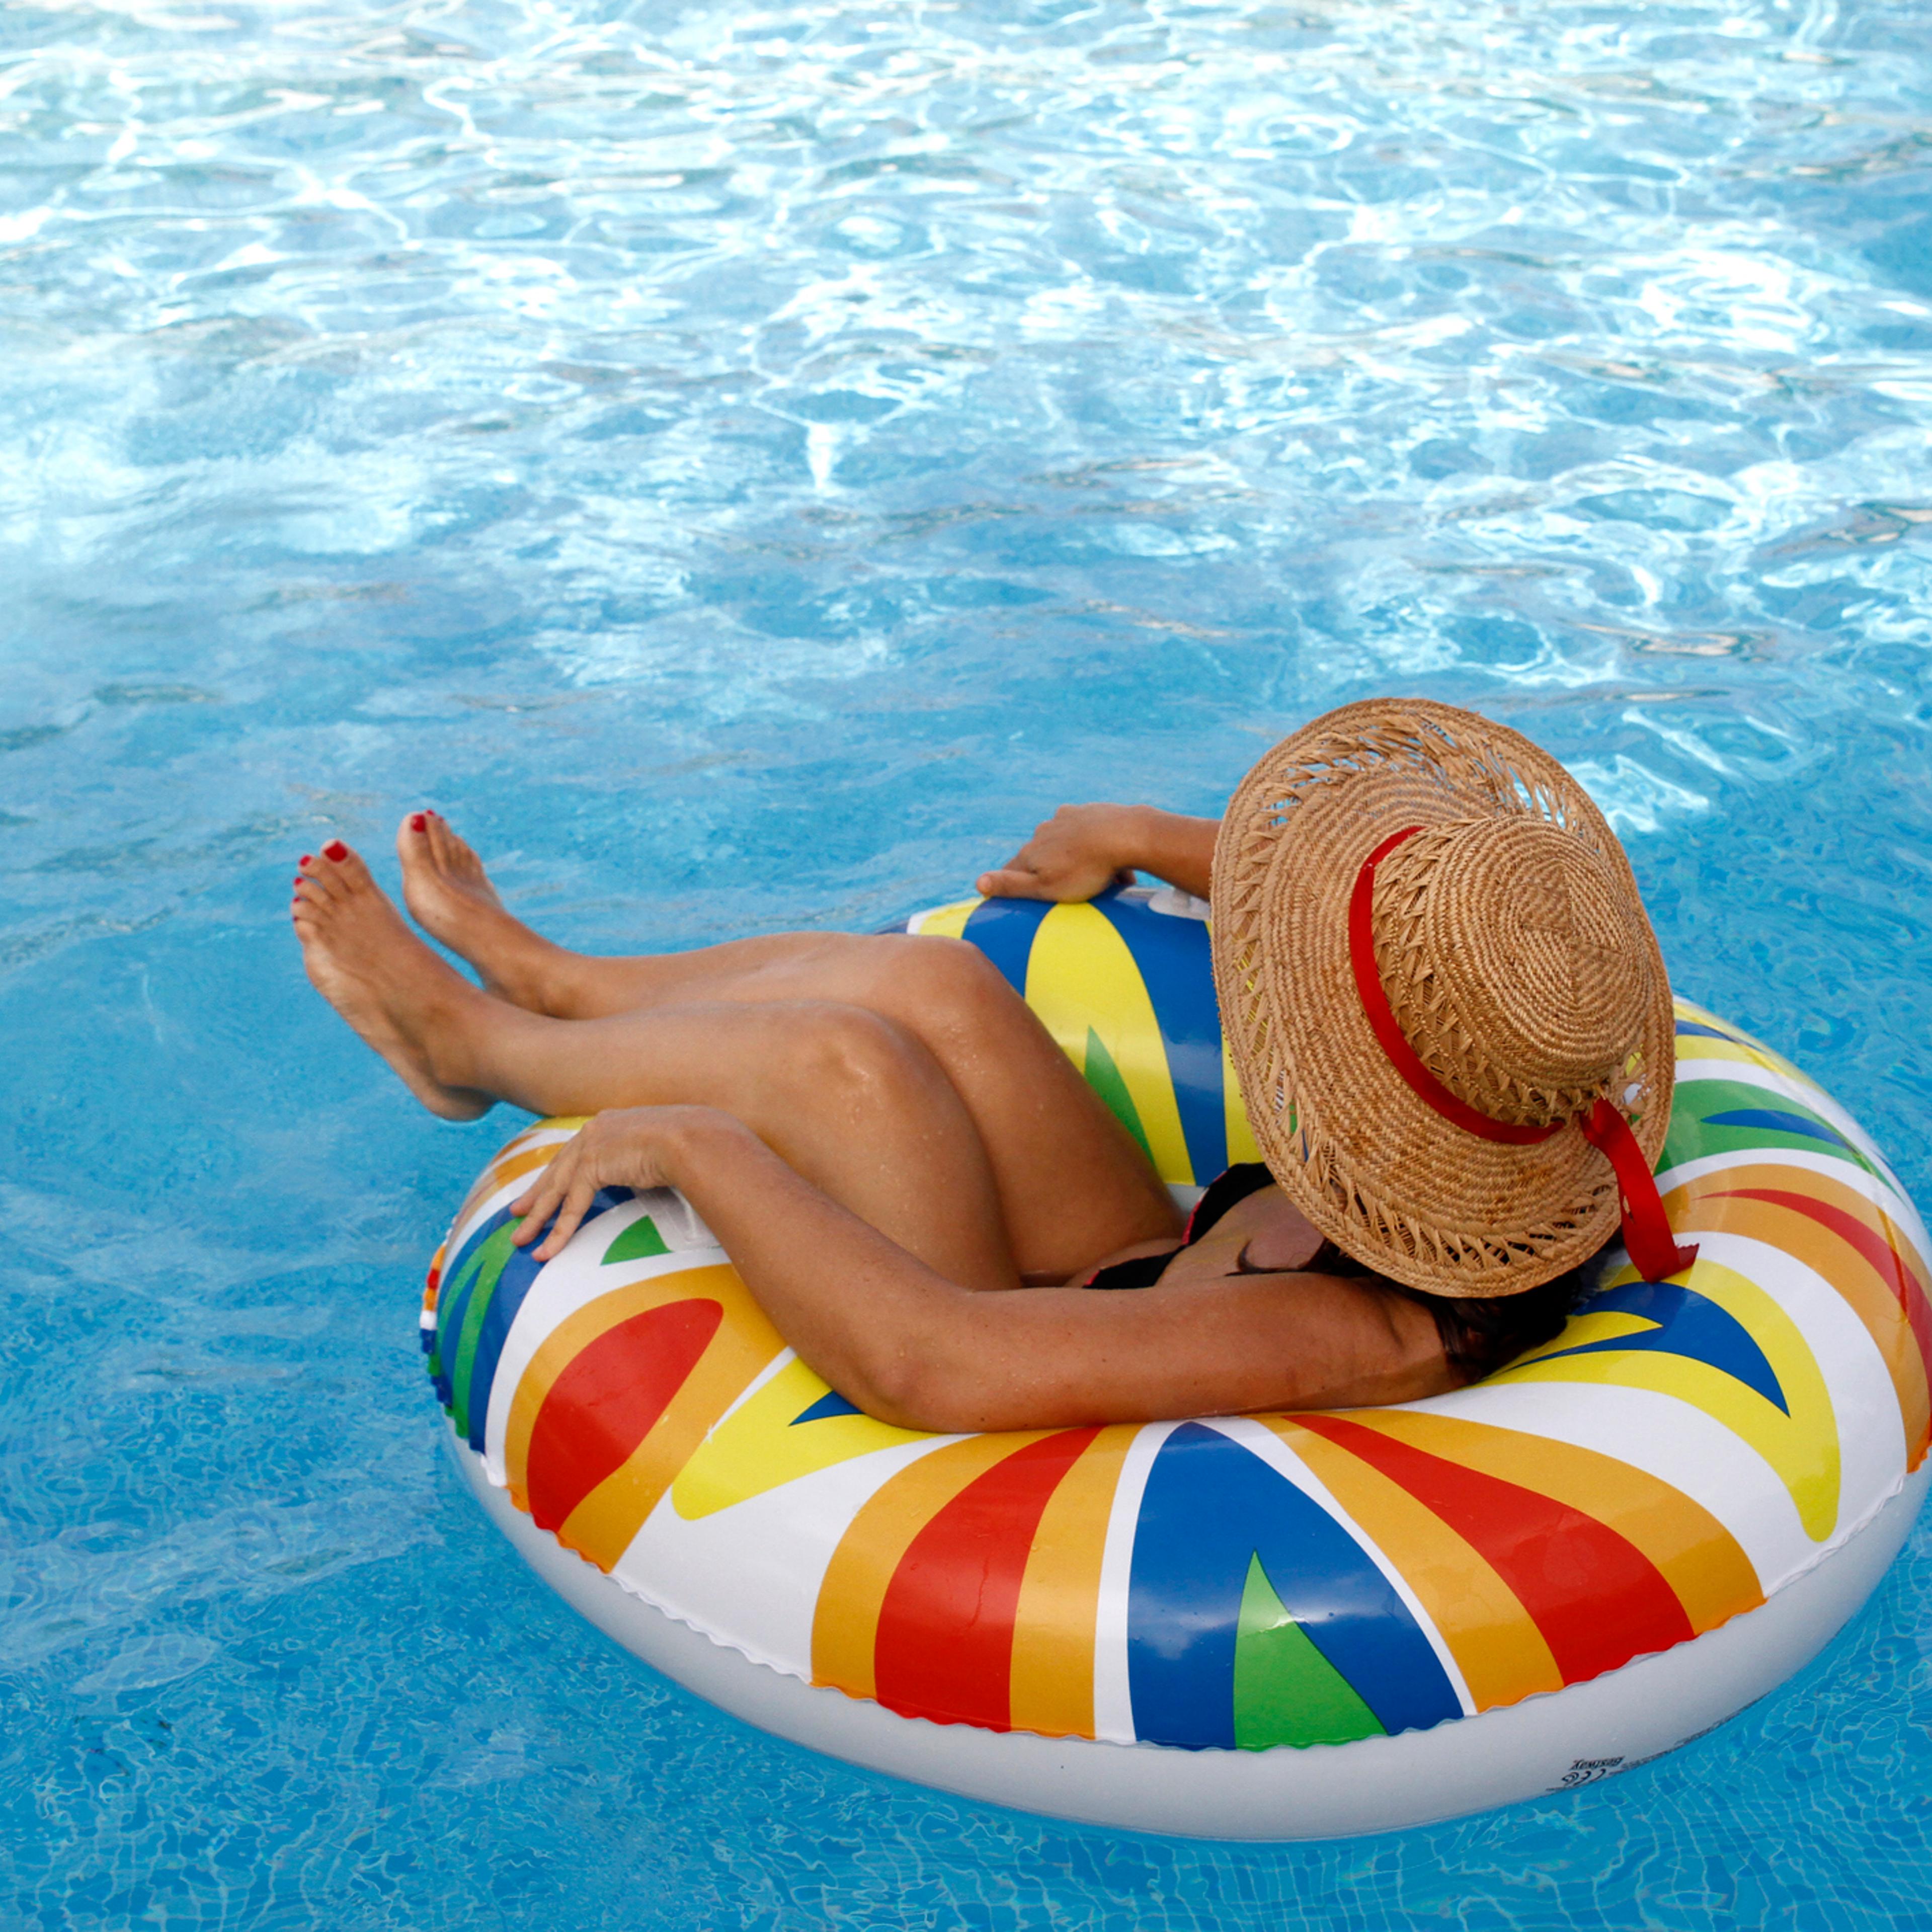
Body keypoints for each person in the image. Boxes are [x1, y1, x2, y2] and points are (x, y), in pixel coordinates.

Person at [292, 698, 1691, 1434]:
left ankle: (474, 1046)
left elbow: (935, 1365)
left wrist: (697, 1147)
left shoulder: (1347, 1331)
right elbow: (1338, 905)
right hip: (1146, 1261)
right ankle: (556, 981)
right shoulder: (1518, 1059)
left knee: (852, 1063)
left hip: (1009, 1358)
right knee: (933, 982)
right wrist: (1141, 831)